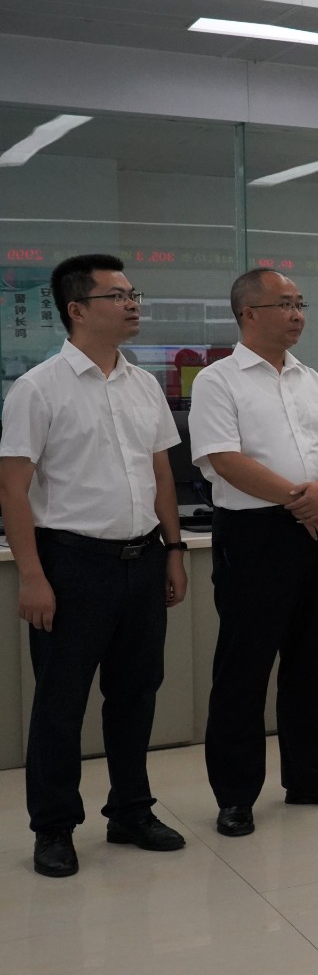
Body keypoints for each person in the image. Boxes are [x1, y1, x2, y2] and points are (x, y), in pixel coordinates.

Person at [0, 254, 188, 877]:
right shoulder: (38, 389)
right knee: (61, 701)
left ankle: (131, 811)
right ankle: (54, 827)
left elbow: (160, 473)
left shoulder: (142, 385)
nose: (132, 304)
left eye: (134, 294)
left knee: (135, 694)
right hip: (71, 564)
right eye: (117, 295)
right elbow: (12, 488)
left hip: (144, 558)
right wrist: (32, 576)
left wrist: (174, 550)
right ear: (77, 309)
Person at [189, 267, 318, 838]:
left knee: (309, 660)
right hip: (254, 535)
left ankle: (309, 777)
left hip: (316, 527)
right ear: (248, 314)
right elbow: (224, 460)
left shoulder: (310, 379)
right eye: (285, 304)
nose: (297, 314)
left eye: (300, 303)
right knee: (244, 666)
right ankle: (235, 794)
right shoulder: (218, 380)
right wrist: (301, 500)